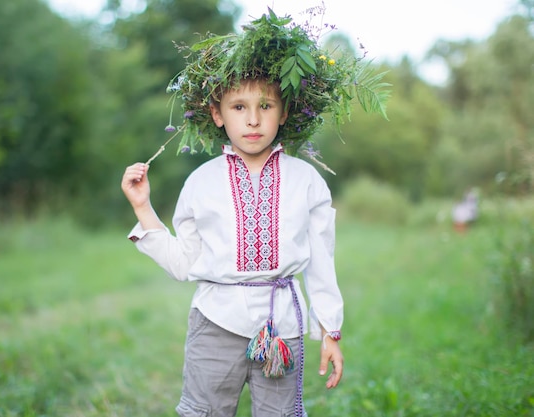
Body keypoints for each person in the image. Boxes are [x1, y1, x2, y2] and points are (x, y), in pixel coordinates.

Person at [121, 8, 388, 417]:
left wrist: (330, 330)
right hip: (215, 323)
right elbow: (184, 264)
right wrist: (143, 208)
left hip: (283, 325)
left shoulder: (307, 181)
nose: (252, 119)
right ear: (216, 114)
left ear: (284, 113)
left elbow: (320, 261)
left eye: (266, 105)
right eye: (238, 106)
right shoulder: (201, 183)